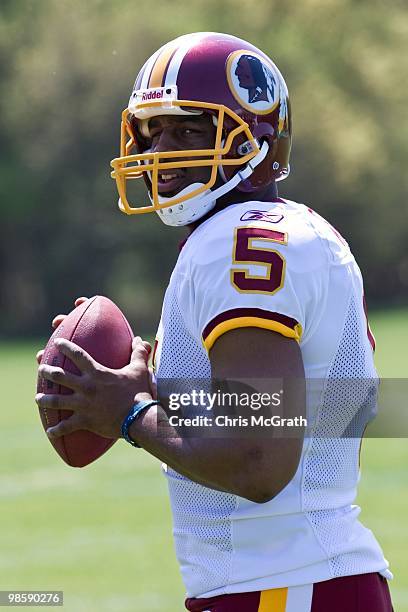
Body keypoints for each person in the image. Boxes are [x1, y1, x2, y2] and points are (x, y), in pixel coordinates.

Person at [36, 33, 394, 611]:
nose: (161, 154)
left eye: (188, 130)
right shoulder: (284, 231)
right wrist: (143, 388)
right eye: (153, 134)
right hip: (301, 580)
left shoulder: (236, 243)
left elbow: (258, 458)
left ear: (256, 139)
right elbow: (266, 412)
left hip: (282, 587)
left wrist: (129, 414)